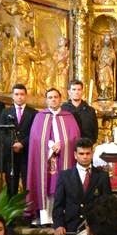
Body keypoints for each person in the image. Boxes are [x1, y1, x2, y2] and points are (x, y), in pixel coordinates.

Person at [26, 87, 81, 222]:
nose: (53, 99)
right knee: (45, 183)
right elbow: (35, 137)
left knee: (60, 184)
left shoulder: (68, 117)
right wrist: (50, 145)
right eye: (50, 97)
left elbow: (75, 136)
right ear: (46, 100)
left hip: (63, 156)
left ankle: (61, 216)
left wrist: (62, 144)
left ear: (60, 99)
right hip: (46, 157)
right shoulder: (40, 116)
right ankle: (45, 217)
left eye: (55, 97)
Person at [53, 138, 113, 235]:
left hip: (95, 230)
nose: (85, 157)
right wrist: (59, 225)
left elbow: (107, 204)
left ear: (92, 154)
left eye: (87, 153)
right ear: (75, 155)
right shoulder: (64, 176)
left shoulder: (102, 176)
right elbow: (58, 205)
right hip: (70, 229)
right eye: (81, 154)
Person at [0, 83, 36, 199]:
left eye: (22, 94)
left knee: (27, 183)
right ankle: (12, 212)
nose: (19, 97)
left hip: (27, 153)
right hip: (10, 154)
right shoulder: (5, 112)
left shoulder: (33, 113)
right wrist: (12, 144)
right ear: (12, 96)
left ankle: (28, 211)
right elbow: (1, 131)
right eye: (17, 94)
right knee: (11, 183)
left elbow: (35, 132)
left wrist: (22, 143)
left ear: (26, 96)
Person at [62, 77, 99, 143]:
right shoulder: (63, 110)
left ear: (82, 91)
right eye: (74, 89)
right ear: (69, 92)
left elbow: (95, 131)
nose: (76, 92)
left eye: (79, 89)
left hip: (86, 145)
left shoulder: (90, 110)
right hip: (68, 145)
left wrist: (90, 142)